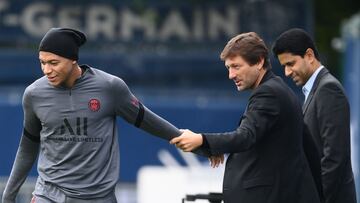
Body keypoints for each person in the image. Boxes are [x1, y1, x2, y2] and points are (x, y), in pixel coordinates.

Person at [1, 27, 188, 203]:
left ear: (73, 59)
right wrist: (8, 197)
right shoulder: (34, 94)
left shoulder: (110, 87)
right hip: (49, 195)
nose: (46, 70)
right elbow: (27, 147)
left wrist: (200, 144)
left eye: (53, 63)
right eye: (42, 62)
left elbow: (146, 120)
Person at [170, 32, 320, 203]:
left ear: (259, 61)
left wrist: (201, 140)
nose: (231, 75)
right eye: (228, 68)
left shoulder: (268, 93)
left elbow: (245, 136)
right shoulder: (276, 90)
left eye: (236, 66)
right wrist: (214, 147)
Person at [272, 28, 357, 203]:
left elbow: (334, 157)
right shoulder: (315, 90)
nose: (287, 72)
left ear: (309, 56)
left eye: (291, 64)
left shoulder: (328, 89)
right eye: (284, 66)